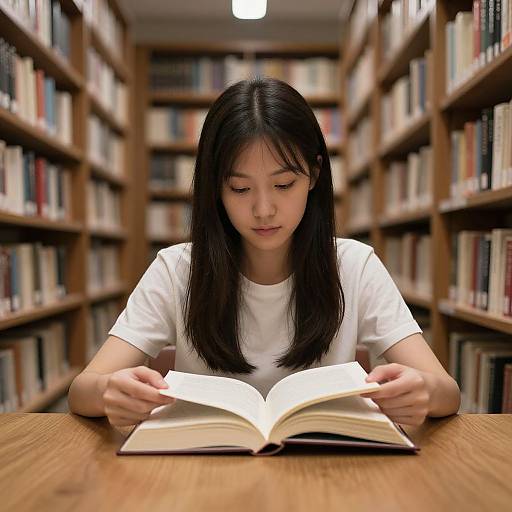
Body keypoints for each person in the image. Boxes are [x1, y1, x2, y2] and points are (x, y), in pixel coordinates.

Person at [68, 77, 460, 428]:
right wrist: (108, 392)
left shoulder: (355, 266)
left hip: (327, 472)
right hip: (202, 473)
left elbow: (447, 391)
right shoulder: (176, 270)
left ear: (315, 174)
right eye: (240, 189)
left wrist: (422, 391)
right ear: (215, 189)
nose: (263, 209)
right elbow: (82, 389)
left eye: (284, 184)